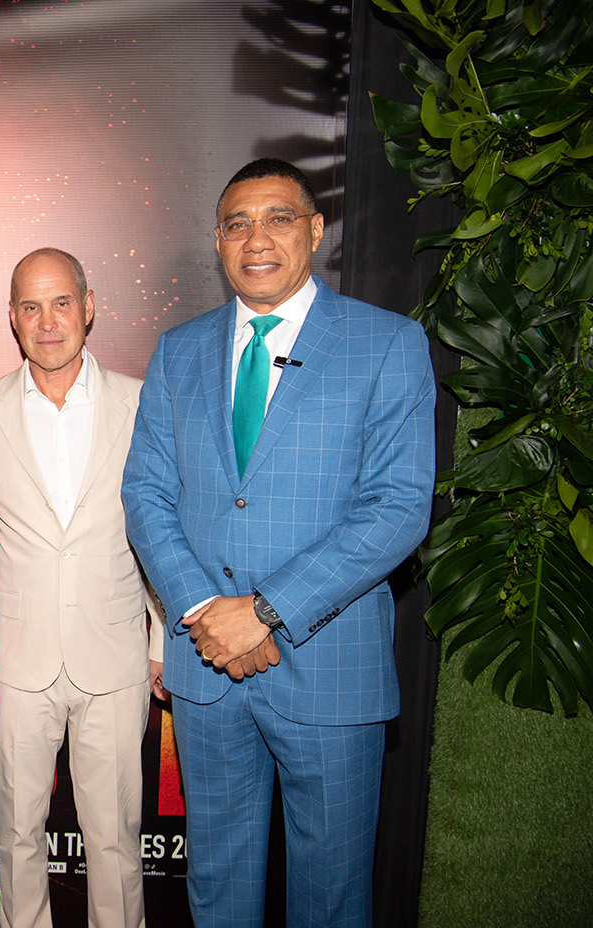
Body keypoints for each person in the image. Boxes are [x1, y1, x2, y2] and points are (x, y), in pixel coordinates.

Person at [122, 158, 436, 927]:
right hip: (208, 673)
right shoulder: (178, 349)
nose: (255, 239)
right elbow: (146, 494)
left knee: (331, 897)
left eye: (278, 218)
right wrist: (203, 609)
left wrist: (263, 611)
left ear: (316, 231)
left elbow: (397, 509)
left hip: (330, 670)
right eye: (237, 223)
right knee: (218, 888)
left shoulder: (387, 344)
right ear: (217, 241)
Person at [0, 247, 165, 928]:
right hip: (18, 660)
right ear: (12, 319)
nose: (47, 322)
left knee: (115, 838)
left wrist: (163, 637)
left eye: (61, 302)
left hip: (115, 655)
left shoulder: (144, 405)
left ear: (90, 306)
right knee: (17, 834)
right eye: (30, 306)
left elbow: (165, 532)